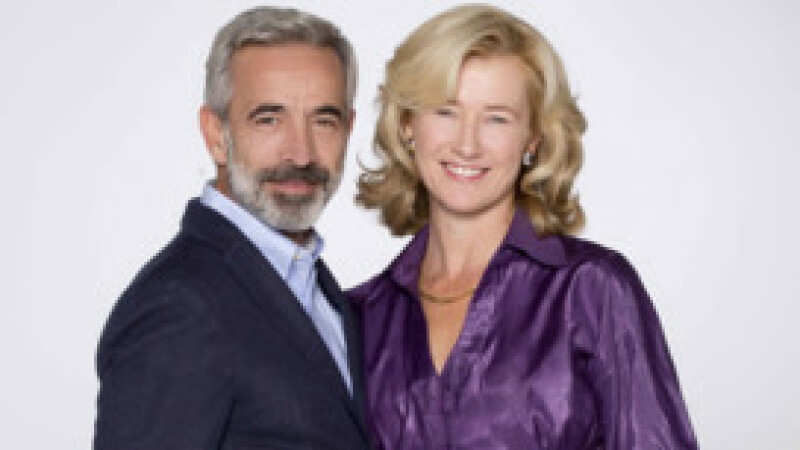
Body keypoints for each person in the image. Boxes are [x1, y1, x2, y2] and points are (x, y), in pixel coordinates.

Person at [350, 4, 698, 449]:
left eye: (497, 118)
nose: (467, 144)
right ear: (406, 125)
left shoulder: (591, 289)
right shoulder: (360, 317)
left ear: (533, 138)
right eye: (446, 112)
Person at [93, 7, 371, 449]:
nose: (301, 153)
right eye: (269, 119)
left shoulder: (319, 291)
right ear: (216, 134)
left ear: (348, 130)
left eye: (324, 120)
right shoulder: (179, 306)